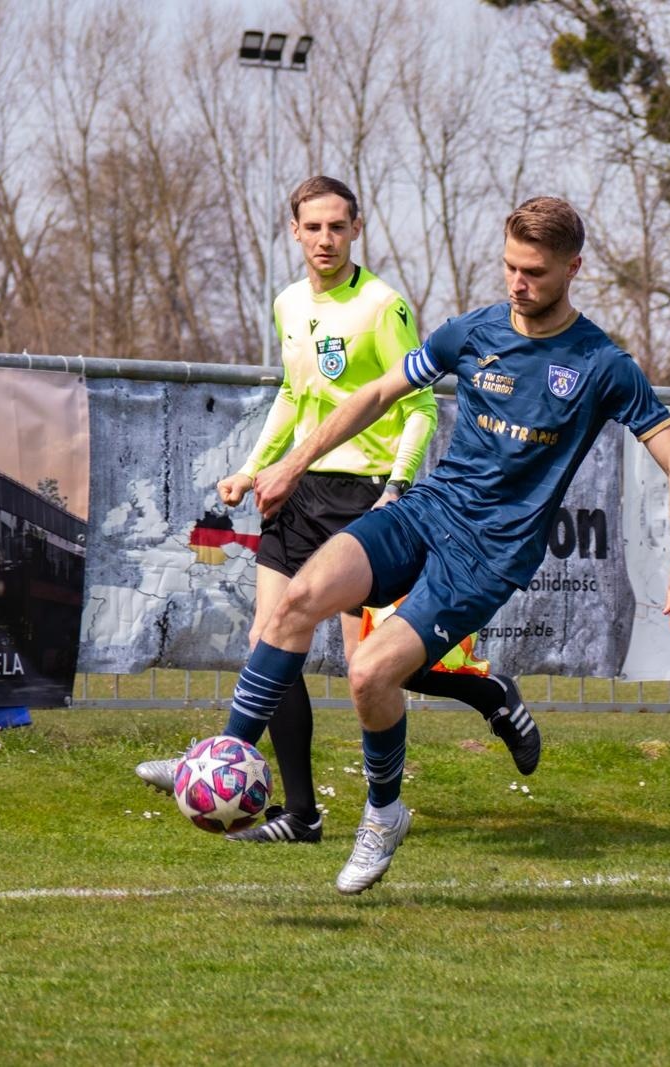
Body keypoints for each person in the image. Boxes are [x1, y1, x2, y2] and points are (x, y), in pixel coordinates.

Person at [227, 195, 670, 894]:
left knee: (370, 675)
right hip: (428, 509)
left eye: (535, 272)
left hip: (489, 554)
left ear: (573, 269)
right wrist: (293, 463)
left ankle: (383, 814)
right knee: (296, 599)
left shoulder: (602, 364)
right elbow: (379, 394)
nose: (518, 283)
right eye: (511, 266)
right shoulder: (473, 331)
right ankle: (225, 754)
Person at [134, 176, 538, 843]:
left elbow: (418, 407)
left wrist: (396, 486)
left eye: (337, 227)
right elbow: (294, 396)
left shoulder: (382, 305)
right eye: (313, 227)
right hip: (299, 492)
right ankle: (298, 811)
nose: (325, 239)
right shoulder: (288, 303)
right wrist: (255, 468)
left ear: (356, 230)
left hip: (365, 496)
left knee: (371, 663)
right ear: (294, 231)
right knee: (270, 637)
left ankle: (489, 693)